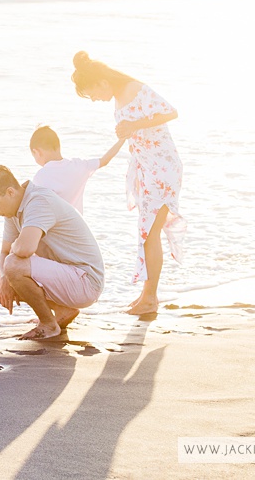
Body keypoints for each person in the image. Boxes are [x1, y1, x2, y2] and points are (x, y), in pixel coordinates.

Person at [71, 50, 186, 316]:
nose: (95, 99)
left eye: (92, 93)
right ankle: (147, 295)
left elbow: (170, 112)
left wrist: (132, 125)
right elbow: (136, 131)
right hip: (146, 169)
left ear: (102, 82)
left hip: (162, 169)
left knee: (149, 234)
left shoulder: (135, 88)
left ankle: (150, 299)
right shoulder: (119, 96)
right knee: (146, 234)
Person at [0, 165, 104, 340]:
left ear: (10, 192)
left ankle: (48, 325)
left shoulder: (38, 201)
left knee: (13, 265)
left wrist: (11, 266)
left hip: (86, 280)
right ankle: (61, 310)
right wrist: (5, 277)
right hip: (63, 275)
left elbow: (25, 249)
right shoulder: (12, 212)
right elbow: (5, 251)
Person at [30, 125, 126, 214]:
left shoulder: (41, 176)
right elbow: (104, 161)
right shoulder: (78, 166)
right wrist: (121, 140)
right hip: (77, 229)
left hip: (55, 230)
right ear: (58, 146)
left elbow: (40, 210)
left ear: (36, 152)